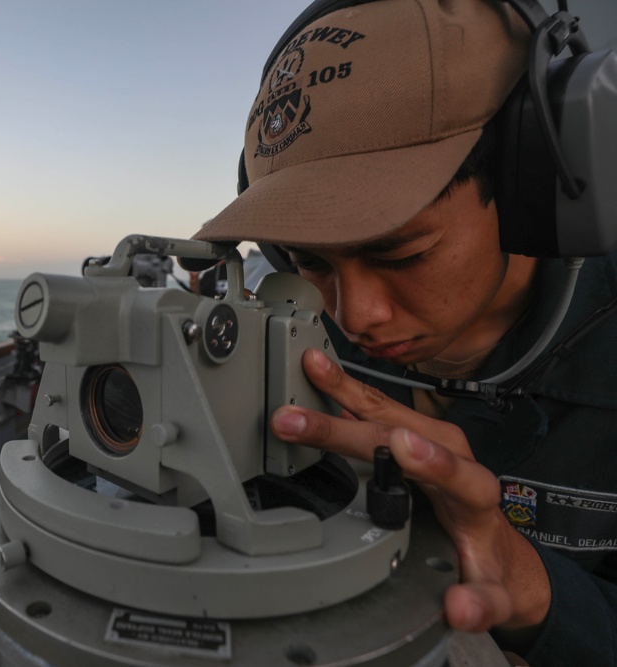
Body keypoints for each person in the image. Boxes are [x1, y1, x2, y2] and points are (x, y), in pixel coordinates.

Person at [193, 0, 617, 664]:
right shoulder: (295, 338)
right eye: (310, 260)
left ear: (530, 181)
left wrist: (539, 592)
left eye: (400, 256)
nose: (354, 316)